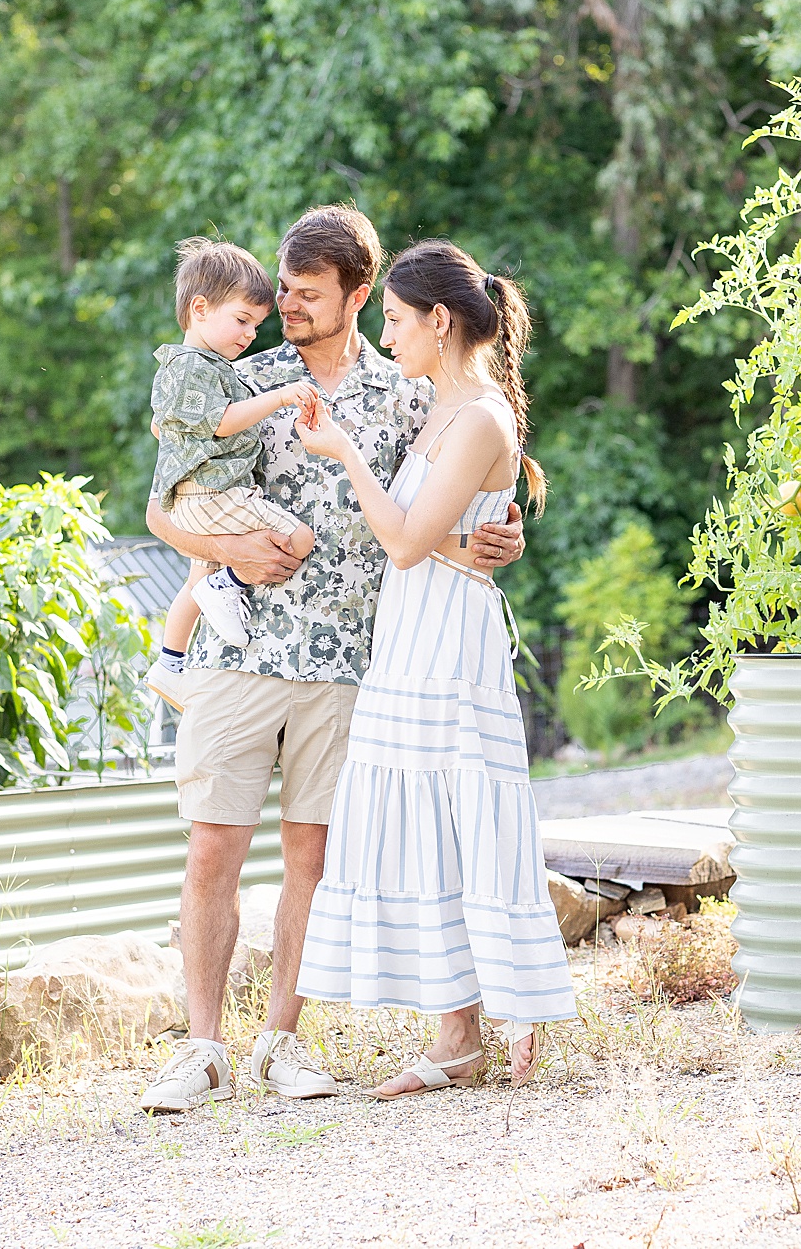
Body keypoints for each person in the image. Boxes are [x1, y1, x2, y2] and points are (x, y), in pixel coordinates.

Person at [136, 207, 525, 1114]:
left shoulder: (407, 393)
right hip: (241, 651)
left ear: (360, 293)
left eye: (309, 296)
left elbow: (447, 491)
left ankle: (282, 1041)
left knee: (311, 856)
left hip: (354, 659)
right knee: (211, 848)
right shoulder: (237, 379)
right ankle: (202, 1049)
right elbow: (163, 510)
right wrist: (229, 553)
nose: (284, 309)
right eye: (282, 293)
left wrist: (495, 535)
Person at [293, 239, 575, 1097]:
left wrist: (343, 455)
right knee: (429, 824)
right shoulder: (436, 405)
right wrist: (472, 541)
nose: (390, 332)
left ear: (440, 320)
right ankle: (457, 1034)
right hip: (414, 629)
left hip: (449, 639)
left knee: (466, 815)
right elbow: (436, 533)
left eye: (398, 318)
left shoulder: (482, 413)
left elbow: (408, 541)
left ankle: (508, 1008)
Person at [144, 237, 318, 711]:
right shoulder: (191, 366)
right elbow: (221, 421)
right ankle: (231, 584)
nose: (248, 336)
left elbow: (166, 425)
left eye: (255, 326)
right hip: (213, 494)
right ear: (199, 308)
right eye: (241, 320)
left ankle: (169, 663)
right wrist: (281, 397)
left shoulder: (199, 367)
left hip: (199, 497)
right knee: (299, 539)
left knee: (193, 583)